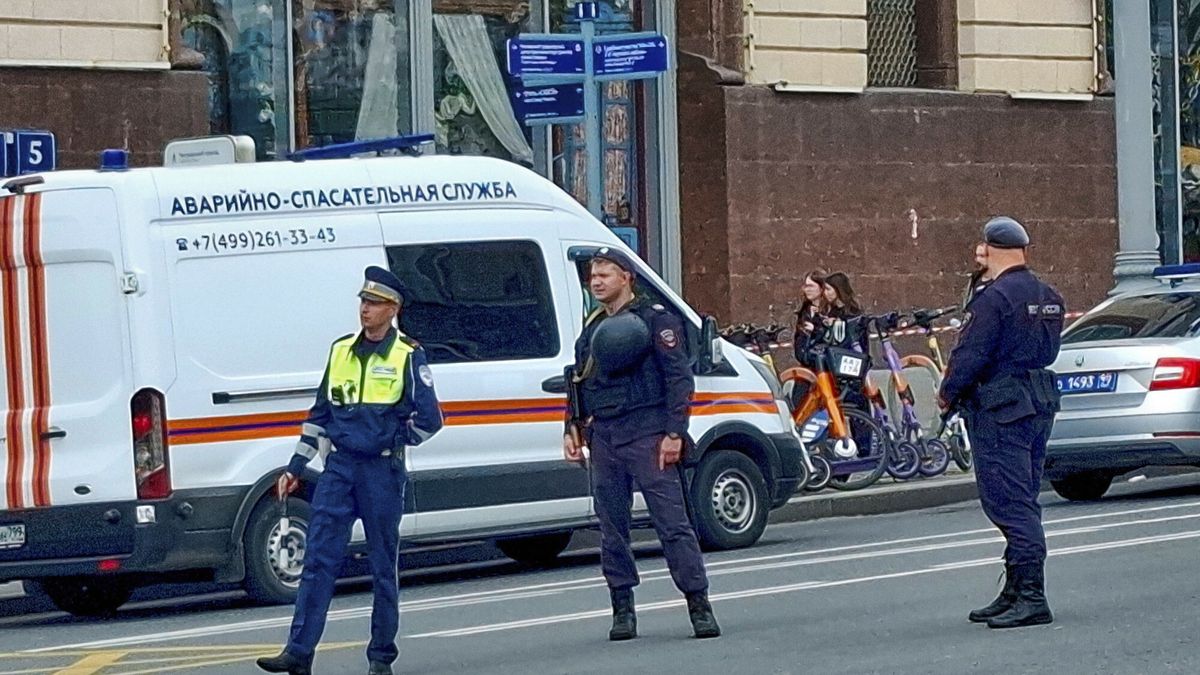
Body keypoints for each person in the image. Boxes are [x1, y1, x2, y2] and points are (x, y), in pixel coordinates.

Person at [258, 266, 444, 675]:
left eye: (374, 303)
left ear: (393, 309)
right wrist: (295, 465)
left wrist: (391, 437)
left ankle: (380, 658)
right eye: (363, 301)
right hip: (339, 470)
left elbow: (431, 420)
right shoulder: (340, 350)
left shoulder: (408, 355)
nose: (365, 309)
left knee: (382, 566)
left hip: (380, 473)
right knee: (318, 562)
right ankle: (299, 652)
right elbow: (319, 414)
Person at [563, 246, 720, 641]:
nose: (597, 281)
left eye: (605, 273)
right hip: (606, 437)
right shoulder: (594, 326)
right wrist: (572, 426)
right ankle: (622, 609)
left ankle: (698, 604)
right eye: (593, 275)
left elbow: (679, 378)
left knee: (672, 524)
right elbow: (579, 378)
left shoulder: (655, 321)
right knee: (611, 528)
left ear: (626, 278)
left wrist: (673, 433)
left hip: (649, 434)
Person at [937, 217, 1063, 630]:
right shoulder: (1048, 295)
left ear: (992, 249)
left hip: (1000, 406)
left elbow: (972, 353)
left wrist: (948, 393)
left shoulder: (993, 300)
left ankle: (1031, 596)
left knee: (1008, 501)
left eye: (982, 248)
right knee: (1023, 493)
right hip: (1037, 400)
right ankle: (1014, 591)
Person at [793, 269, 828, 367]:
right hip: (806, 364)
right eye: (805, 286)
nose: (806, 289)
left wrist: (815, 330)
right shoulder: (805, 311)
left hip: (824, 366)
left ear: (821, 288)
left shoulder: (830, 312)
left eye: (811, 286)